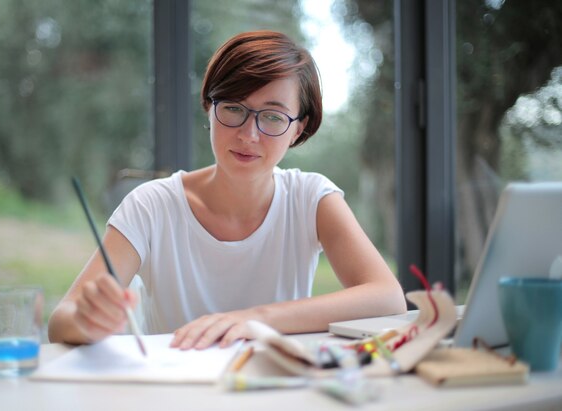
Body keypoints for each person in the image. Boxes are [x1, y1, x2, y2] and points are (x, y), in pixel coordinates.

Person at [48, 30, 406, 350]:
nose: (249, 135)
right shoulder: (152, 205)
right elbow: (61, 321)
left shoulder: (310, 198)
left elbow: (388, 297)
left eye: (272, 116)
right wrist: (86, 320)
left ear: (299, 128)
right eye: (234, 108)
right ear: (209, 107)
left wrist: (256, 319)